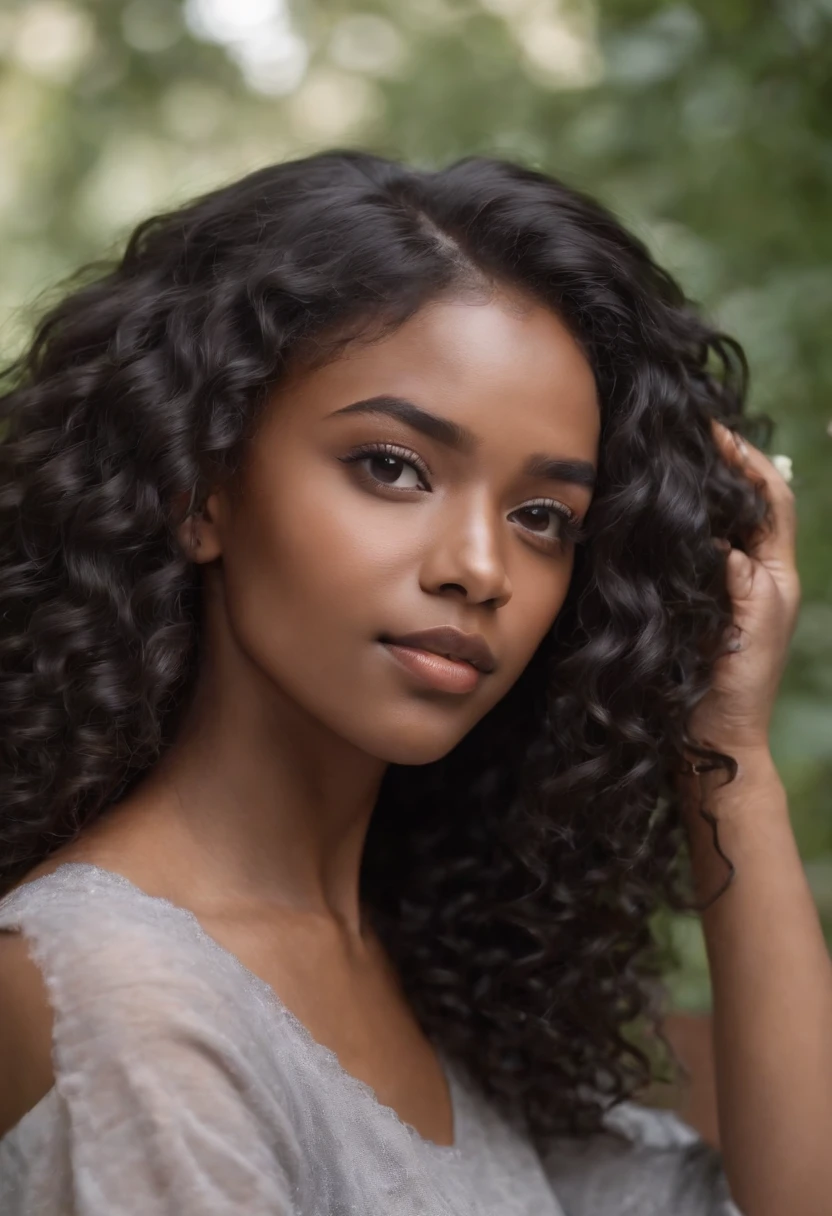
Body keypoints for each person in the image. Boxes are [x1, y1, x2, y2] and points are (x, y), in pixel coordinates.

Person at [0, 148, 822, 1216]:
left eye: (543, 518)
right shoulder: (118, 992)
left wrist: (729, 752)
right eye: (392, 465)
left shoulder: (440, 980)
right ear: (197, 490)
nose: (479, 567)